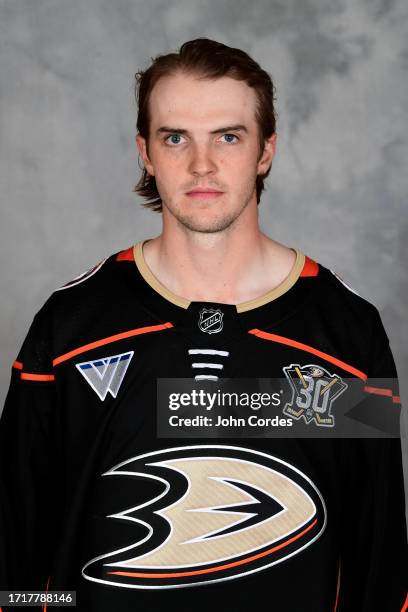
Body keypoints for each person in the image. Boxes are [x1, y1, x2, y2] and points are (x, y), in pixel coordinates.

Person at [0, 37, 407, 612]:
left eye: (228, 136)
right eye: (175, 138)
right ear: (144, 151)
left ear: (266, 150)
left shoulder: (348, 335)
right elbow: (14, 550)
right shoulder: (69, 330)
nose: (202, 164)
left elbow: (379, 558)